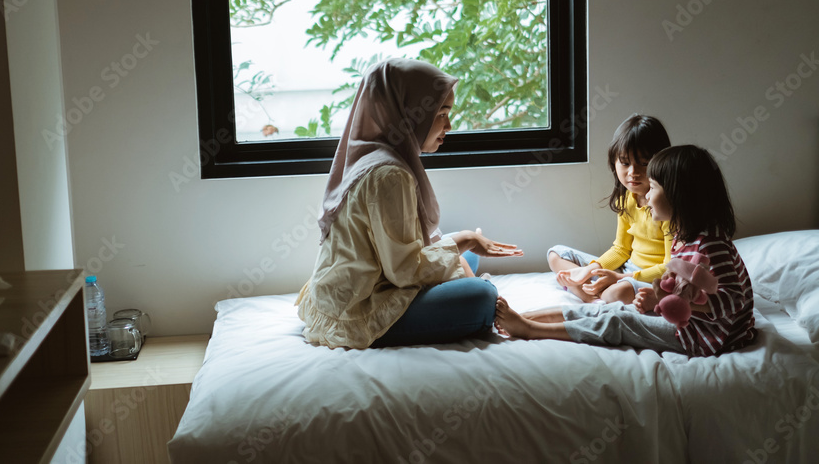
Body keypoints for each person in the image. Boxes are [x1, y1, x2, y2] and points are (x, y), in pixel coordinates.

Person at [295, 58, 523, 349]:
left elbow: (399, 254)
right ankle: (479, 289)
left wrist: (464, 244)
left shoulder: (372, 156)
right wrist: (465, 240)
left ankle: (466, 268)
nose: (449, 125)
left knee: (468, 254)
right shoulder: (389, 175)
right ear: (409, 113)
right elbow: (403, 272)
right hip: (359, 306)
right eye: (441, 113)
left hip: (351, 287)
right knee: (482, 297)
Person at [495, 145, 755, 357]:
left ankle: (529, 329)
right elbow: (683, 284)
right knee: (606, 309)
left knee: (617, 321)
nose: (647, 196)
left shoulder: (711, 245)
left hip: (704, 337)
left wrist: (670, 303)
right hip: (688, 320)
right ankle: (526, 318)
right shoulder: (683, 235)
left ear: (679, 196)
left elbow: (734, 300)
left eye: (654, 187)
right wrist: (659, 297)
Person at [548, 114, 672, 304]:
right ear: (614, 162)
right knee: (555, 254)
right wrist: (590, 269)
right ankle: (590, 290)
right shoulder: (626, 199)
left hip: (650, 278)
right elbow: (621, 249)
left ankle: (590, 295)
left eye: (644, 163)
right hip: (626, 269)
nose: (633, 172)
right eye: (625, 163)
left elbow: (670, 267)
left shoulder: (667, 208)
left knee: (616, 294)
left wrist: (621, 278)